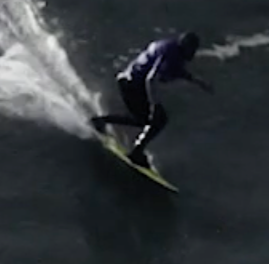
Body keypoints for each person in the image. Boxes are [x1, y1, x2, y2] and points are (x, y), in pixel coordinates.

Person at [90, 31, 213, 167]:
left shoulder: (171, 47)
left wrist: (197, 81)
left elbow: (175, 69)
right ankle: (136, 152)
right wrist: (155, 105)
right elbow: (150, 79)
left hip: (129, 82)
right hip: (131, 85)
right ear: (187, 47)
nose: (193, 54)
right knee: (157, 119)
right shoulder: (172, 53)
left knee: (144, 119)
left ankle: (101, 121)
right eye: (193, 50)